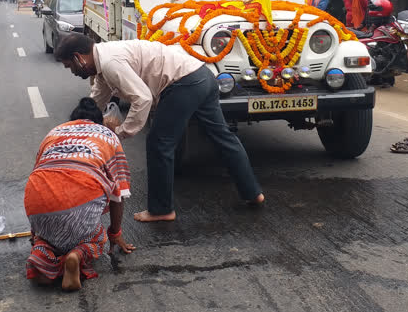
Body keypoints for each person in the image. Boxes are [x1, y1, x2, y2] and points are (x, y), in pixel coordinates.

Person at [54, 33, 264, 223]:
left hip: (184, 83)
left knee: (159, 144)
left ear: (78, 58)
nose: (71, 71)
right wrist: (79, 128)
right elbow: (98, 99)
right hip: (202, 76)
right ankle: (253, 192)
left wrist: (121, 132)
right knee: (222, 137)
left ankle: (161, 209)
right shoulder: (104, 63)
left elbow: (142, 98)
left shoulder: (110, 62)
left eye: (68, 66)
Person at [24, 97, 135, 291]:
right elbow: (119, 193)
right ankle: (77, 254)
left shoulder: (54, 132)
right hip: (79, 205)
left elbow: (40, 180)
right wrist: (115, 234)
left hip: (37, 205)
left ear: (73, 120)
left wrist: (37, 233)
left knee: (47, 239)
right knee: (97, 237)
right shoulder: (108, 136)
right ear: (98, 121)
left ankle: (43, 258)